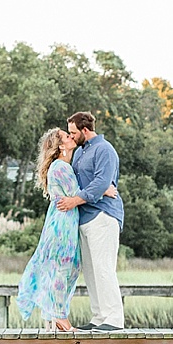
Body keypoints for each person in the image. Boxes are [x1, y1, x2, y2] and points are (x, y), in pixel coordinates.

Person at [55, 111, 124, 330]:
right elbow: (78, 181)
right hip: (84, 217)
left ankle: (114, 318)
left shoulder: (105, 150)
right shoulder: (80, 152)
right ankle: (99, 317)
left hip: (103, 215)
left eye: (73, 132)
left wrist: (75, 200)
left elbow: (102, 182)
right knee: (91, 270)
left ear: (85, 130)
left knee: (104, 268)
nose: (71, 136)